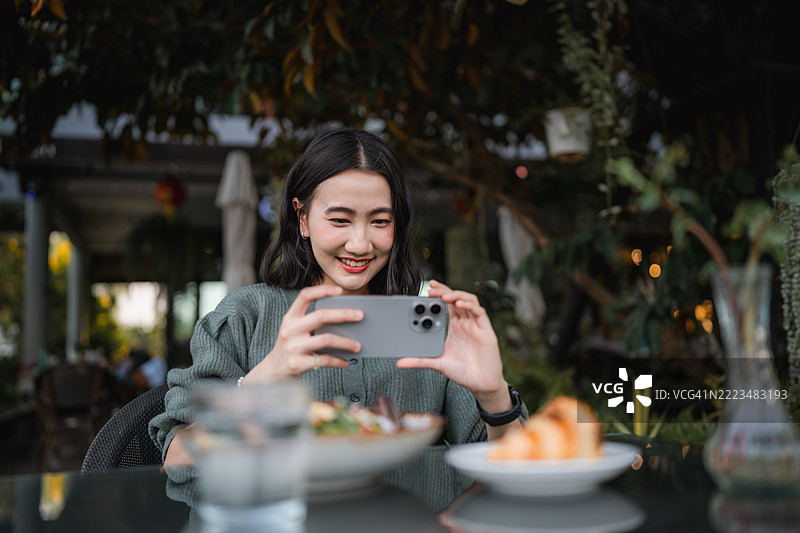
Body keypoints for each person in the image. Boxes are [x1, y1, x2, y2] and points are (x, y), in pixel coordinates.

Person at [149, 128, 528, 510]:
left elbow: (511, 470)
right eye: (340, 220)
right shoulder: (246, 316)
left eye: (380, 221)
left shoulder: (428, 329)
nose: (360, 244)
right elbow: (176, 461)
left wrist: (492, 394)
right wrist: (262, 382)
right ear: (302, 218)